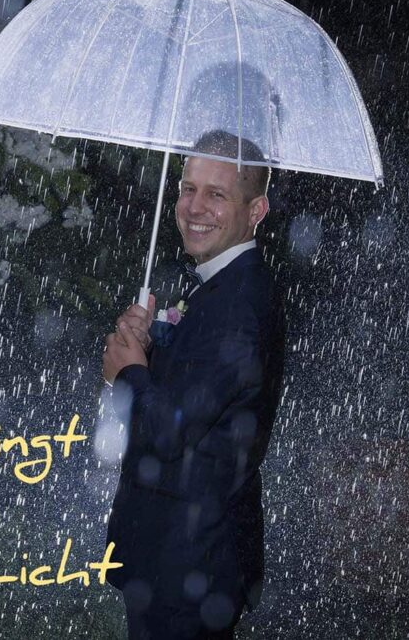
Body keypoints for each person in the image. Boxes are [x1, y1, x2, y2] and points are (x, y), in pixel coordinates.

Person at [102, 131, 285, 640]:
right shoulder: (220, 286)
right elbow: (201, 396)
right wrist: (150, 347)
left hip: (191, 568)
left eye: (217, 194)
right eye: (187, 188)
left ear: (256, 210)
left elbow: (169, 430)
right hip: (176, 561)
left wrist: (129, 373)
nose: (193, 207)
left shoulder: (238, 306)